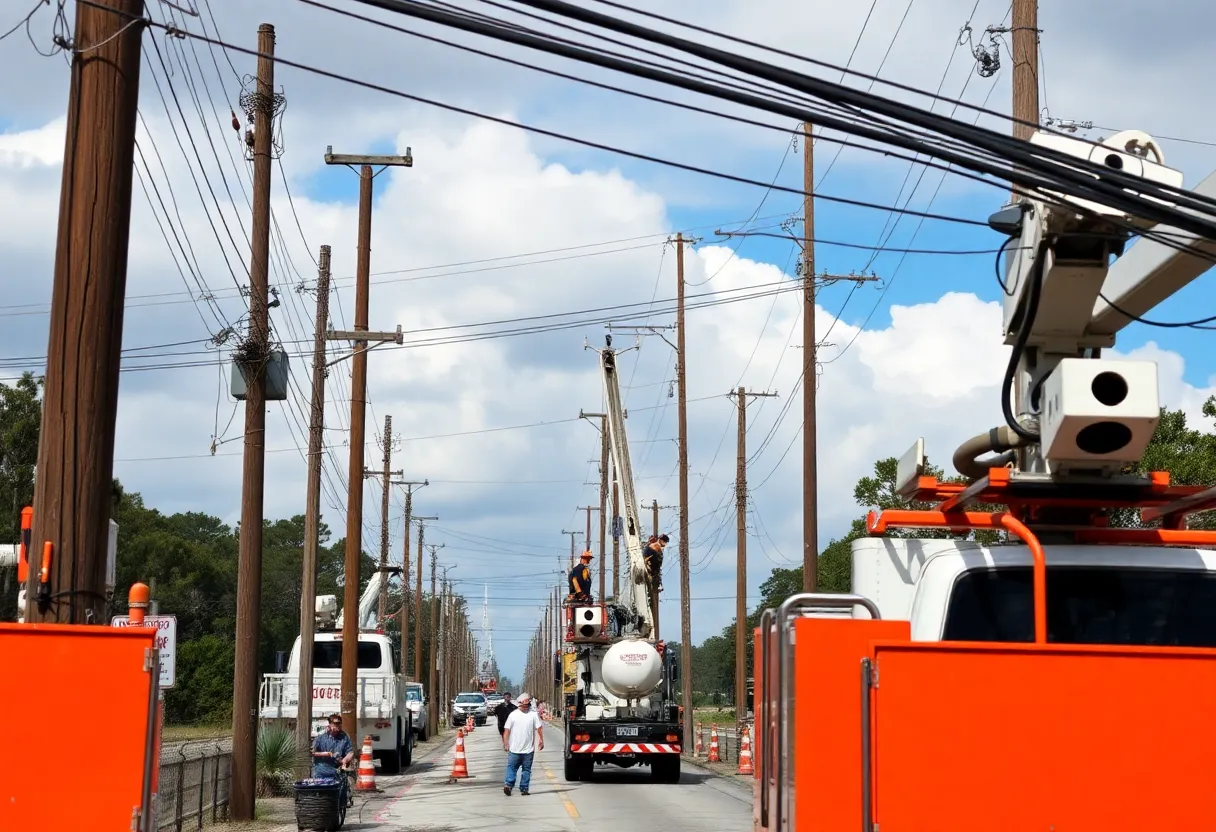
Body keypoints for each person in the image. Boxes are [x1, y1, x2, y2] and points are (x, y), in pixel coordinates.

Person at [502, 692, 544, 796]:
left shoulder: (533, 714)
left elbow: (539, 728)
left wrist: (541, 740)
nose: (526, 707)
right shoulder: (513, 715)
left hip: (528, 750)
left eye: (528, 705)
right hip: (514, 749)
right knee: (512, 768)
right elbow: (506, 730)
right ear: (519, 704)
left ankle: (524, 788)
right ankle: (508, 786)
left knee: (526, 770)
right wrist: (506, 743)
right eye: (524, 705)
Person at [312, 713, 355, 780]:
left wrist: (344, 760)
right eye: (335, 724)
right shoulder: (321, 736)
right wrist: (328, 754)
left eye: (339, 724)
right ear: (330, 724)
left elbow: (350, 752)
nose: (338, 726)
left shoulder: (344, 736)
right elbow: (312, 752)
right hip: (321, 773)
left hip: (337, 772)